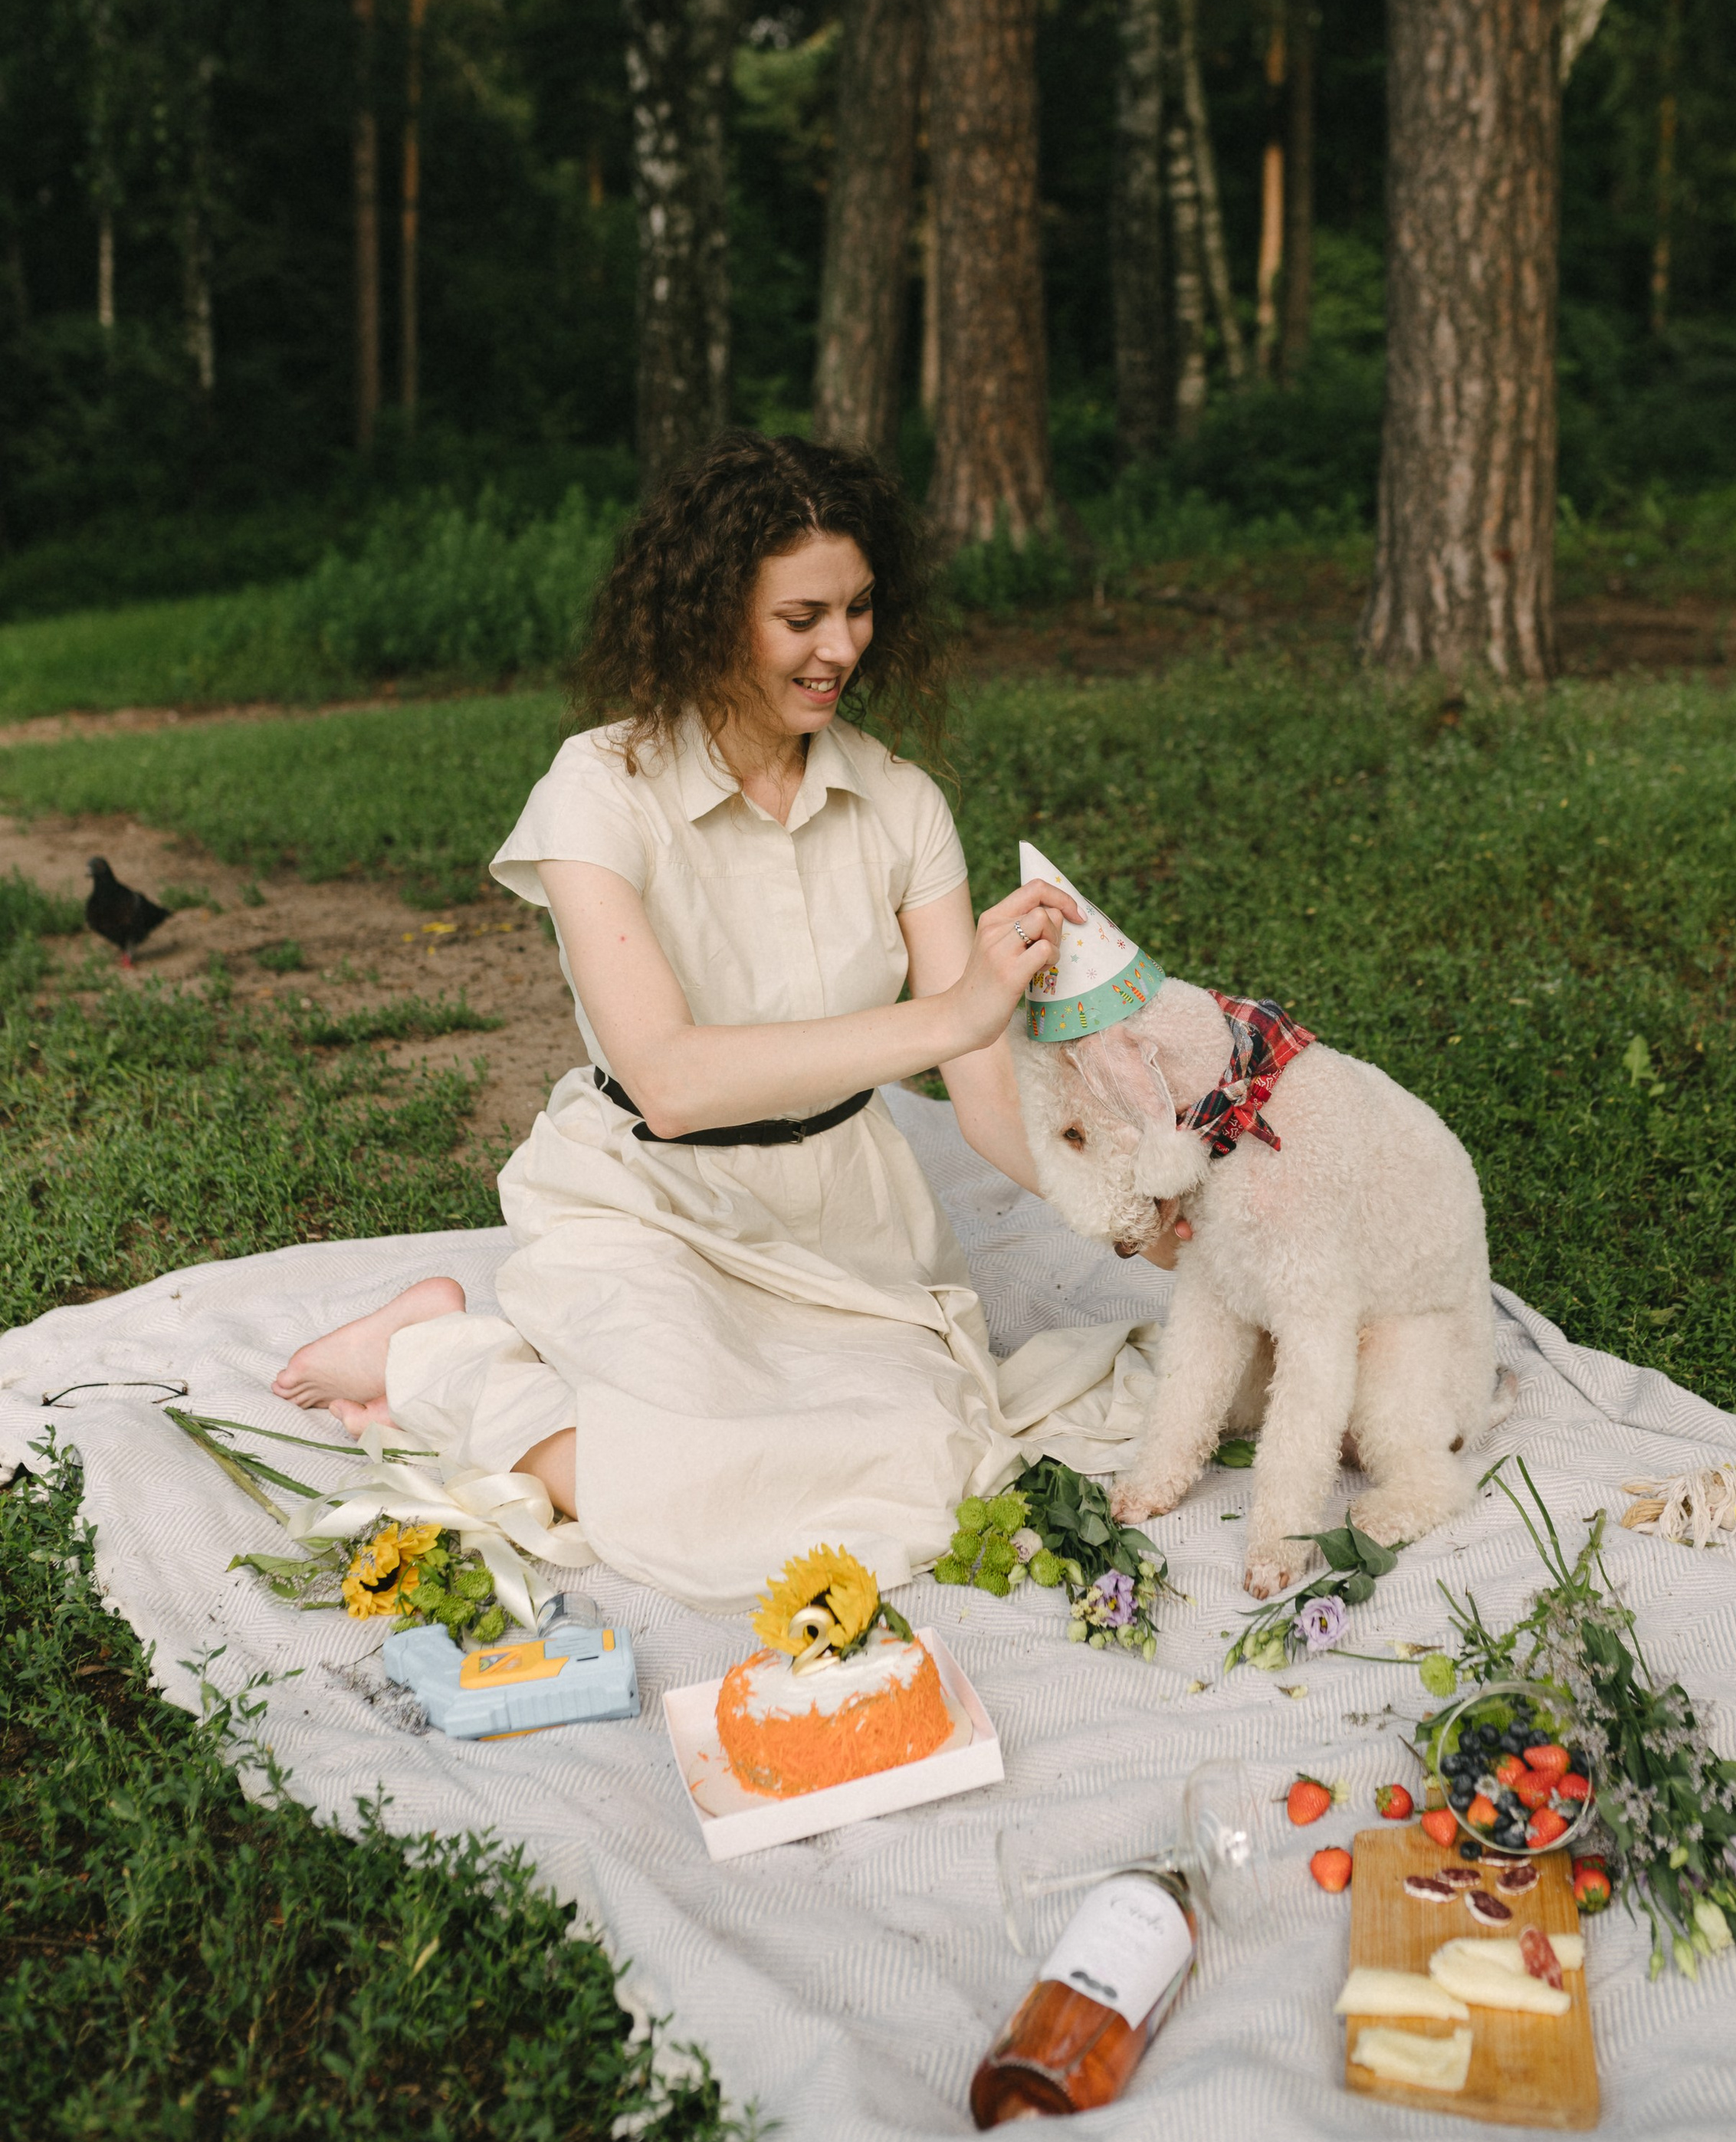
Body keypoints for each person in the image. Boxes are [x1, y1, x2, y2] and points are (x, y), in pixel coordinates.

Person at [274, 431, 1160, 1615]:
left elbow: (991, 1099)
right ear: (709, 612)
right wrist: (949, 1015)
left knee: (928, 1475)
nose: (841, 647)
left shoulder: (902, 803)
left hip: (848, 1219)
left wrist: (1137, 1215)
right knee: (691, 1495)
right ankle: (429, 1352)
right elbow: (672, 1080)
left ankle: (506, 1384)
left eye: (859, 609)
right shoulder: (598, 788)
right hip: (646, 1198)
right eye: (802, 618)